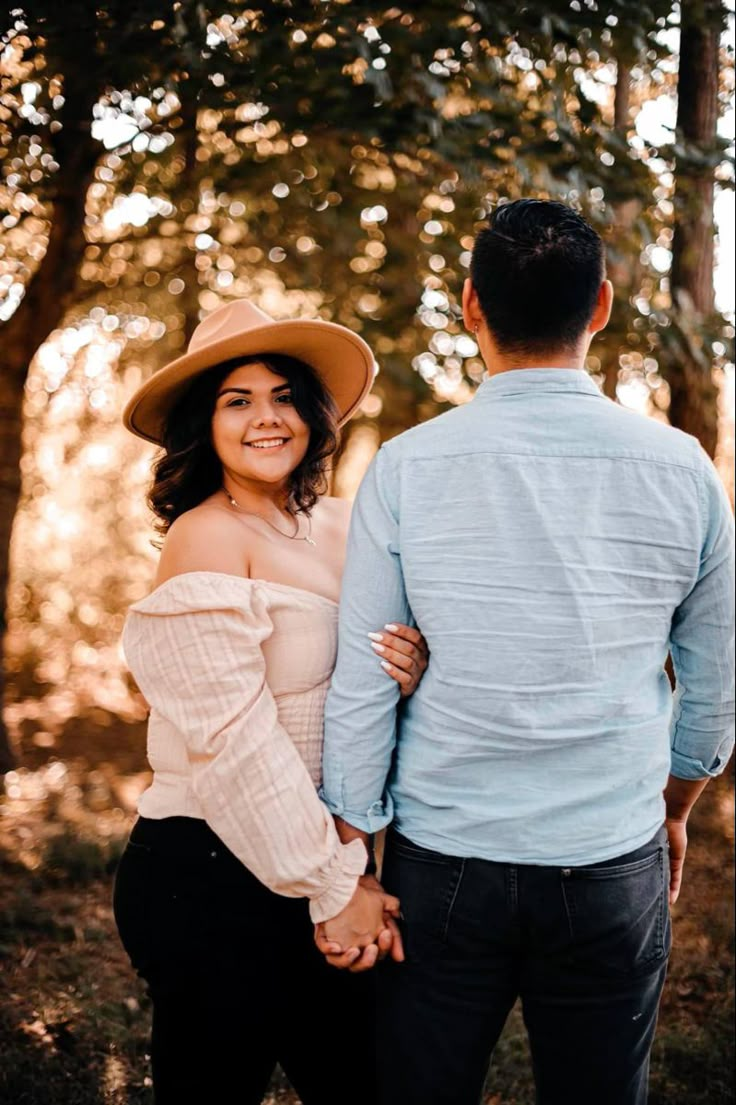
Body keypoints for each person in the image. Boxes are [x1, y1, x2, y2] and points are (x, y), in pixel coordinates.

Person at [319, 199, 735, 1105]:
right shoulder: (684, 468)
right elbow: (713, 686)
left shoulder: (406, 466)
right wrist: (677, 805)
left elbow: (367, 672)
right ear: (601, 306)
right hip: (610, 853)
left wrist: (351, 846)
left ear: (471, 306)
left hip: (444, 860)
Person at [112, 298, 427, 1105]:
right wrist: (333, 884)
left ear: (314, 414)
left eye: (284, 394)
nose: (267, 418)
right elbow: (233, 744)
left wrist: (416, 665)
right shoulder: (205, 537)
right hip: (210, 868)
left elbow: (378, 685)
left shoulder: (352, 523)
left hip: (332, 847)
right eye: (236, 400)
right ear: (202, 425)